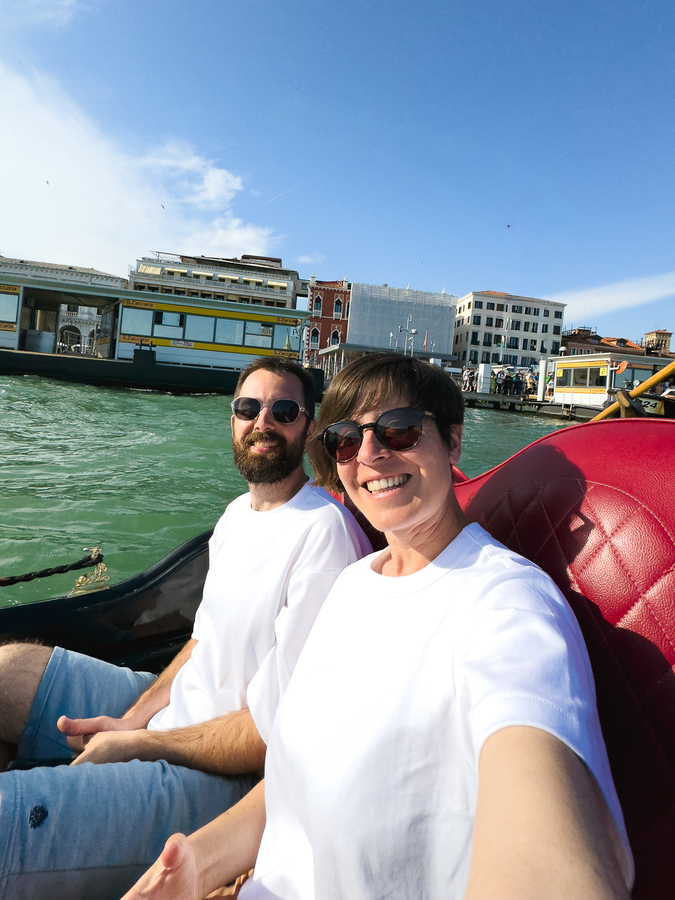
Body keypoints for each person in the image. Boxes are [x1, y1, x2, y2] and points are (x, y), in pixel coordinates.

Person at [125, 354, 633, 900]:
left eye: (400, 430)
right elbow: (293, 773)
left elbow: (544, 852)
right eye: (346, 438)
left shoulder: (505, 605)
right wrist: (195, 867)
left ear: (453, 442)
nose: (369, 453)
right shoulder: (351, 585)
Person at [0, 357, 370, 900]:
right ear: (232, 419)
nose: (262, 422)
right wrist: (129, 721)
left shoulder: (324, 537)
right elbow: (200, 644)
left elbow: (277, 735)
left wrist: (140, 745)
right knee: (7, 670)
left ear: (309, 427)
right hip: (173, 724)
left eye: (284, 410)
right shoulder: (234, 517)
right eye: (249, 408)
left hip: (225, 782)